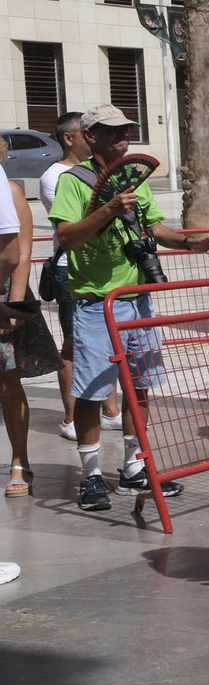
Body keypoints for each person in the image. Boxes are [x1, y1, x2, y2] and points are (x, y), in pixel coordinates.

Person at [50, 105, 209, 512]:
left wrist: (187, 242)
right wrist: (108, 209)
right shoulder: (74, 182)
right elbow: (67, 237)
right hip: (96, 304)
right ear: (90, 136)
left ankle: (133, 467)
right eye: (113, 132)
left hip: (138, 301)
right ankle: (91, 476)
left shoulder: (134, 177)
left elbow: (154, 228)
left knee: (139, 386)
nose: (123, 138)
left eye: (126, 130)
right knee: (92, 391)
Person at [40, 111, 120, 441]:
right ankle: (72, 417)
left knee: (108, 341)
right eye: (85, 133)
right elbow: (76, 223)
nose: (92, 139)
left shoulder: (99, 172)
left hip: (104, 272)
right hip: (68, 270)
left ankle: (110, 411)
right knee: (75, 344)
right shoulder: (57, 177)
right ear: (69, 138)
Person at [0, 150, 63, 499]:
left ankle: (19, 461)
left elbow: (21, 254)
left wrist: (13, 306)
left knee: (8, 384)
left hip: (4, 293)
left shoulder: (10, 192)